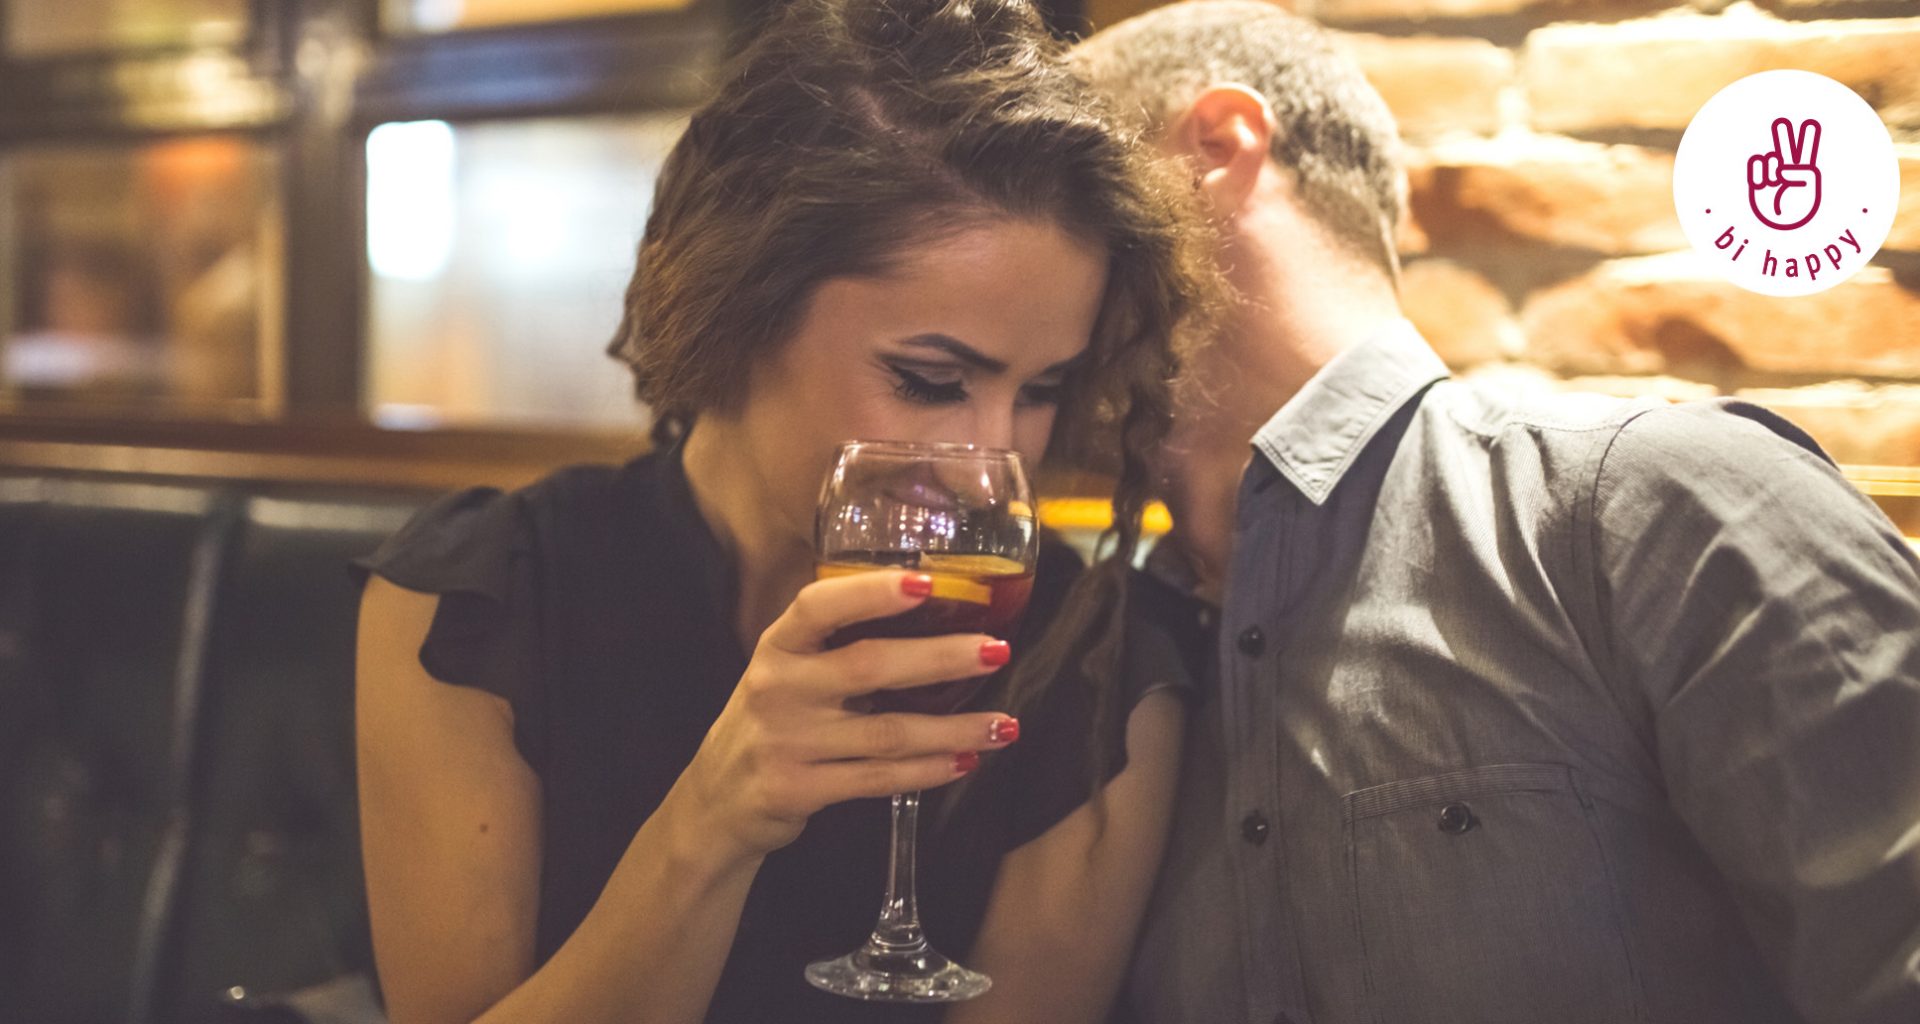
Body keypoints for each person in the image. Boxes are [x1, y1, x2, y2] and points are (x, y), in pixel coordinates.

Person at [351, 0, 1210, 1021]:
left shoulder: (1099, 665)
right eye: (931, 379)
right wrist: (715, 822)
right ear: (740, 309)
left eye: (1041, 389)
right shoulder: (476, 601)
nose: (996, 457)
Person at [1071, 3, 1920, 1023]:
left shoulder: (1663, 501)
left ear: (1214, 147)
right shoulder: (1099, 657)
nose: (1017, 248)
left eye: (1062, 185)